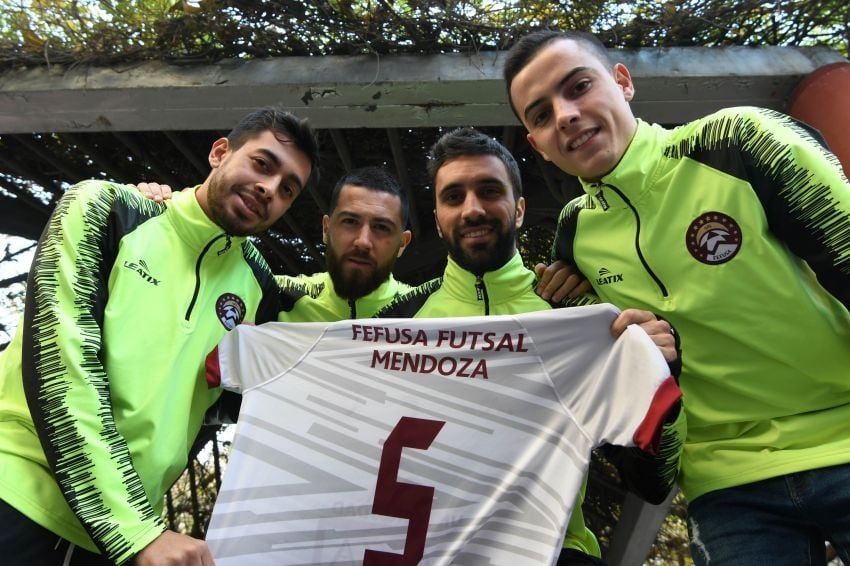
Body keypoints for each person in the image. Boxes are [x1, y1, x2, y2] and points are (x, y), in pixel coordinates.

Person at [505, 29, 850, 565]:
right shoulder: (572, 238)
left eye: (578, 87)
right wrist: (638, 355)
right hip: (728, 485)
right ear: (536, 144)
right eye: (541, 115)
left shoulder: (739, 140)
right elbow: (637, 443)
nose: (565, 115)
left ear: (623, 82)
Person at [0, 107, 319, 566]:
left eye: (288, 189)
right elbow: (61, 370)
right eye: (262, 164)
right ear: (219, 152)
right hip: (18, 497)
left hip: (114, 545)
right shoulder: (104, 208)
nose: (269, 188)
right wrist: (134, 530)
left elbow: (350, 307)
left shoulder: (259, 286)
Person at [376, 127, 685, 565]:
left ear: (519, 209)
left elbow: (653, 483)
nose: (473, 209)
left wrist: (662, 370)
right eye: (454, 197)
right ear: (438, 216)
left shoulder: (580, 316)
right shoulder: (392, 324)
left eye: (489, 191)